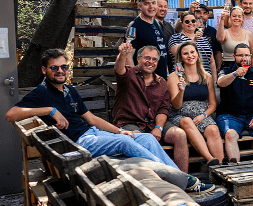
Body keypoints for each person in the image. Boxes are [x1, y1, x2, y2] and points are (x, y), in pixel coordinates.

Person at [7, 49, 185, 172]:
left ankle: (181, 176)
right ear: (44, 70)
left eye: (64, 67)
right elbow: (11, 114)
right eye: (54, 68)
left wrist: (120, 130)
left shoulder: (70, 90)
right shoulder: (41, 92)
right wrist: (49, 110)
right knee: (125, 143)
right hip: (78, 143)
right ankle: (175, 175)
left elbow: (91, 119)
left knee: (145, 138)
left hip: (93, 133)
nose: (60, 71)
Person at [113, 41, 190, 170]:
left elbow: (163, 109)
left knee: (180, 135)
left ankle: (184, 178)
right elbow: (119, 69)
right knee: (141, 138)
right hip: (130, 123)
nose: (151, 62)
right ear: (138, 59)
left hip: (154, 123)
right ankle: (159, 178)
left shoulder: (161, 82)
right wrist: (122, 55)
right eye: (147, 58)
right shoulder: (128, 75)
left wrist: (159, 127)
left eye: (154, 59)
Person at [167, 41, 224, 168]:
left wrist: (203, 115)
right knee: (187, 121)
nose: (190, 55)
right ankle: (211, 160)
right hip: (180, 115)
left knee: (213, 129)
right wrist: (181, 90)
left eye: (192, 52)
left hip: (201, 115)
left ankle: (221, 168)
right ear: (181, 57)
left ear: (197, 54)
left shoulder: (207, 76)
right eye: (185, 53)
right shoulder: (174, 76)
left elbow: (213, 104)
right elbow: (175, 105)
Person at [216, 43, 253, 163]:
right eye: (240, 55)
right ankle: (236, 170)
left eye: (247, 55)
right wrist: (235, 74)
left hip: (251, 115)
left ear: (251, 56)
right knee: (230, 134)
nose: (244, 58)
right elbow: (220, 82)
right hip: (229, 115)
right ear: (234, 56)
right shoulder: (226, 70)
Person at [127, 0, 170, 79]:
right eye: (147, 4)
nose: (151, 7)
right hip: (144, 79)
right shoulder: (134, 26)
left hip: (160, 78)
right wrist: (134, 78)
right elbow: (128, 54)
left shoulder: (158, 23)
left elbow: (162, 49)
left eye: (153, 3)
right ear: (139, 6)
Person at [169, 12, 216, 81]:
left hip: (205, 78)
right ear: (182, 24)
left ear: (197, 23)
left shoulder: (204, 39)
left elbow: (211, 62)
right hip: (184, 79)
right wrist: (194, 40)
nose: (190, 23)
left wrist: (214, 81)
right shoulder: (176, 37)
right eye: (187, 22)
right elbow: (176, 52)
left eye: (193, 21)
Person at [217, 6, 253, 73]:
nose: (236, 18)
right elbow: (219, 38)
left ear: (243, 18)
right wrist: (222, 19)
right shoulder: (225, 32)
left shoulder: (248, 34)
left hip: (244, 66)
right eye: (234, 16)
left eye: (239, 16)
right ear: (230, 18)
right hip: (228, 67)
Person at [192, 1, 223, 73]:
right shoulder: (190, 29)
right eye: (199, 13)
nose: (201, 15)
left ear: (208, 15)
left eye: (204, 13)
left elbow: (217, 51)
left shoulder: (212, 31)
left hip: (208, 70)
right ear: (194, 14)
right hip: (192, 68)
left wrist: (218, 69)